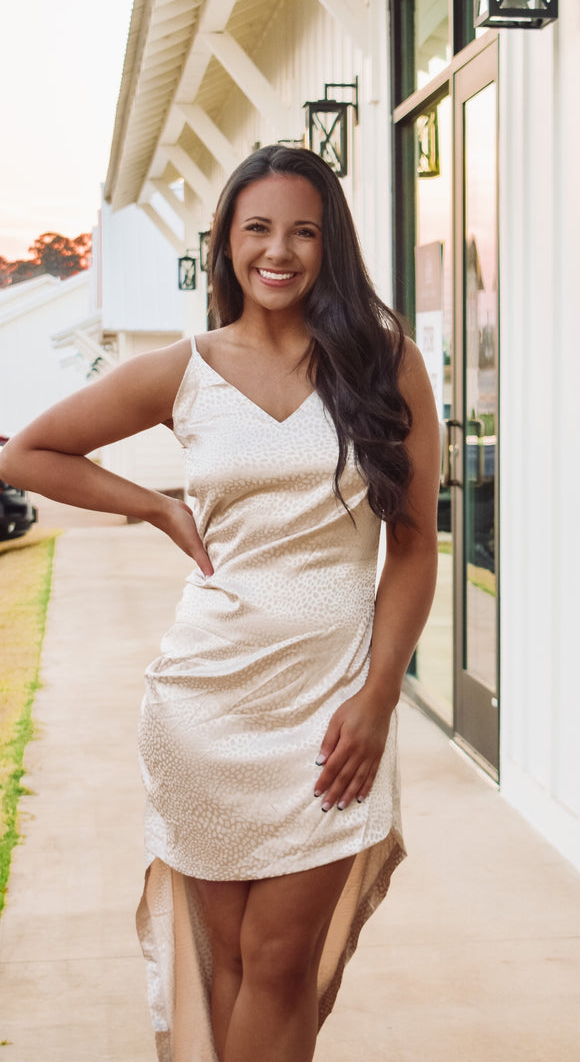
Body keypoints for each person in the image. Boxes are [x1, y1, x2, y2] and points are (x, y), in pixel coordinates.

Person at [0, 145, 441, 1062]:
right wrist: (157, 506)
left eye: (304, 231)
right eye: (258, 229)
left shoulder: (383, 365)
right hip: (205, 704)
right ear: (227, 243)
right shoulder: (184, 368)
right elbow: (28, 454)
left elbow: (410, 547)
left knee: (279, 963)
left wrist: (379, 696)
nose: (279, 251)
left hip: (330, 711)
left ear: (332, 245)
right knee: (228, 959)